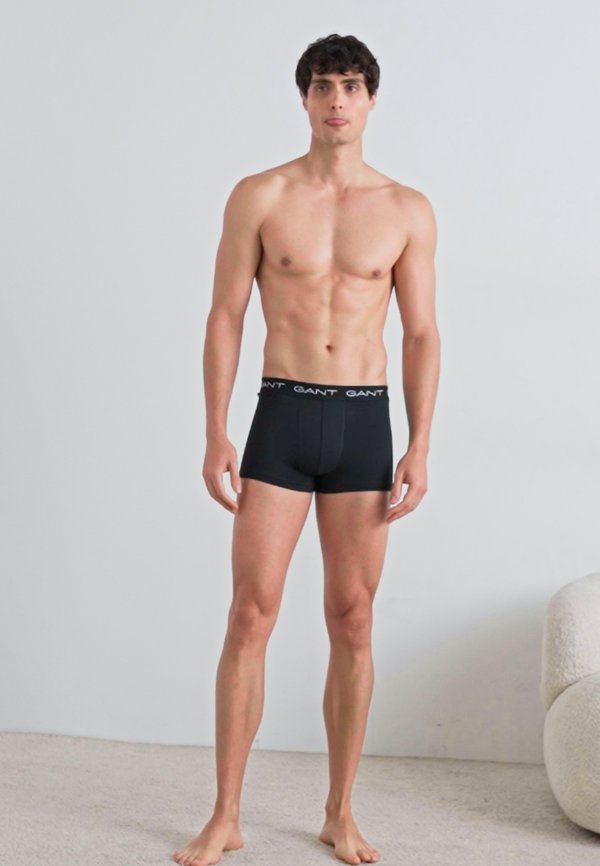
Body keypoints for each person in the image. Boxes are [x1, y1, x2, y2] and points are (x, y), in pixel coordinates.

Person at [173, 32, 440, 866]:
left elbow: (422, 333)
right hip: (282, 417)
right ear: (304, 97)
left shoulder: (405, 208)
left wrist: (420, 443)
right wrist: (215, 429)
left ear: (371, 99)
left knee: (352, 619)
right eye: (324, 85)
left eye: (352, 85)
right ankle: (225, 815)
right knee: (250, 612)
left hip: (364, 422)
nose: (337, 100)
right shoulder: (260, 195)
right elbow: (225, 315)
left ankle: (339, 812)